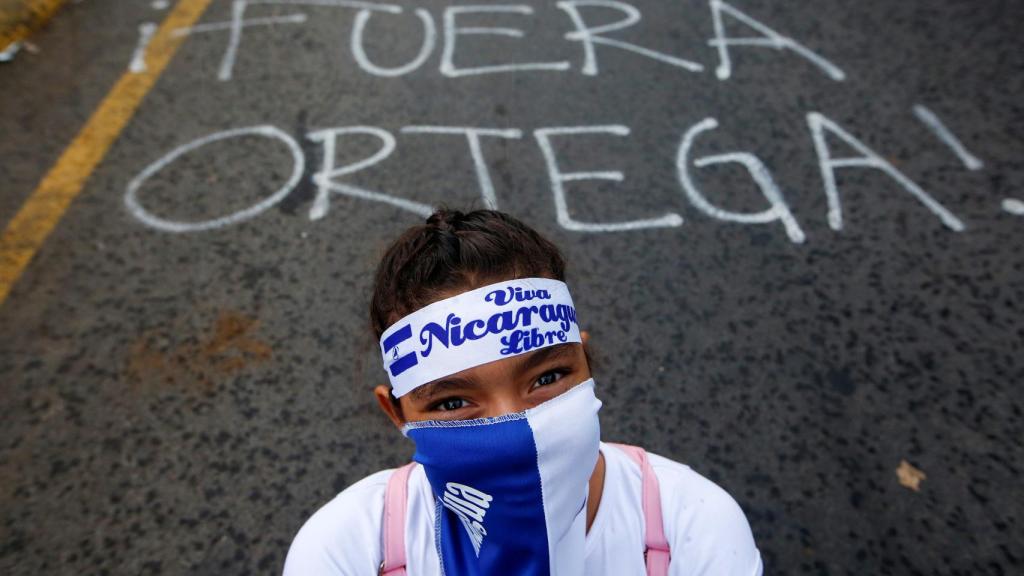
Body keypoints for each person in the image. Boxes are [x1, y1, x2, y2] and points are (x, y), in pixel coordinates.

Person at [283, 209, 763, 576]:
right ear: (397, 413)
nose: (516, 423)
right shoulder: (348, 549)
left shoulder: (692, 526)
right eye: (452, 403)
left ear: (585, 365)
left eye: (547, 378)